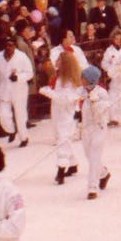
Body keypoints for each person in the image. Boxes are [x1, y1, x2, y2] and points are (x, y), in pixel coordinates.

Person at [43, 51, 83, 186]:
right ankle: (72, 163)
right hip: (57, 112)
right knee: (62, 137)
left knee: (63, 139)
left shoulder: (70, 80)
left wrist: (48, 93)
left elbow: (65, 99)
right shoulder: (58, 77)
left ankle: (61, 168)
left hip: (67, 114)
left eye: (59, 59)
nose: (56, 61)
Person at [79, 66, 112, 201]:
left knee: (94, 157)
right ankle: (103, 173)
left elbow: (103, 111)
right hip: (86, 129)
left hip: (98, 128)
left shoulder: (102, 93)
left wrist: (95, 102)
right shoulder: (81, 91)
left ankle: (92, 188)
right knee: (89, 155)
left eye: (83, 78)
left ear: (90, 80)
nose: (81, 80)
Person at [0, 40, 33, 148]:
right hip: (4, 90)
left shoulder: (22, 56)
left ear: (15, 46)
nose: (8, 47)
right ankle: (11, 130)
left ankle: (24, 137)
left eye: (11, 45)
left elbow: (30, 73)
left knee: (20, 115)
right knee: (3, 115)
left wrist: (18, 77)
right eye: (6, 45)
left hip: (19, 90)